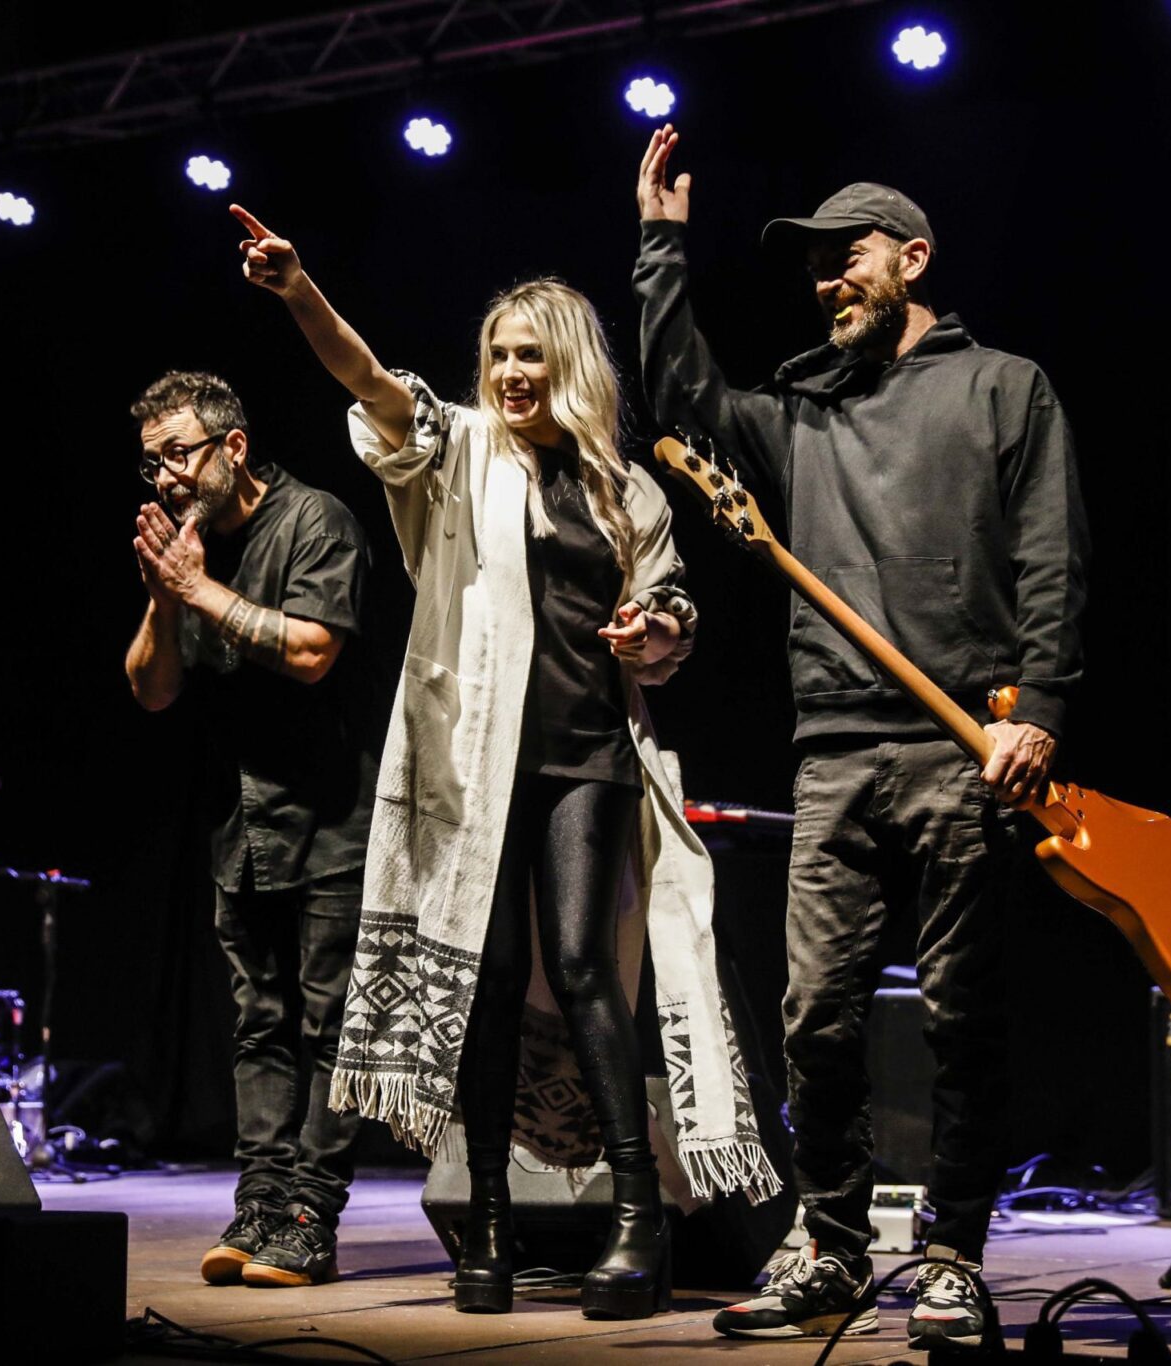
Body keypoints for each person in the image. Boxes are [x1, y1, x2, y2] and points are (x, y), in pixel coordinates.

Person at [228, 203, 779, 1319]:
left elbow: (671, 617)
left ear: (567, 364)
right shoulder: (463, 448)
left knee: (581, 966)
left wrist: (651, 633)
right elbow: (370, 381)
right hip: (474, 765)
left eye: (530, 354)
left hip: (589, 753)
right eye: (497, 355)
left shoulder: (627, 489)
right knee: (485, 978)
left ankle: (637, 1217)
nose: (511, 372)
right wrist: (298, 292)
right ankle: (485, 1218)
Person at [632, 126, 1090, 1346]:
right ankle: (829, 1246)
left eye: (848, 255)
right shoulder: (804, 412)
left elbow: (1051, 562)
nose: (827, 276)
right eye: (815, 263)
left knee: (958, 1016)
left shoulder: (1003, 387)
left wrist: (1040, 711)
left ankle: (951, 1255)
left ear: (912, 259)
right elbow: (681, 401)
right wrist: (661, 249)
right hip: (832, 750)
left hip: (963, 747)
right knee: (813, 1015)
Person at [123, 370, 379, 1289]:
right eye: (152, 464)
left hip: (332, 819)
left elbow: (312, 652)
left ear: (232, 447)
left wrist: (197, 589)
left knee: (331, 1026)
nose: (166, 478)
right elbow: (151, 688)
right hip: (242, 827)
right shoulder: (188, 553)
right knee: (258, 1026)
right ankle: (261, 1204)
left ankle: (312, 1213)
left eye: (179, 455)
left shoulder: (315, 520)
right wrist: (166, 595)